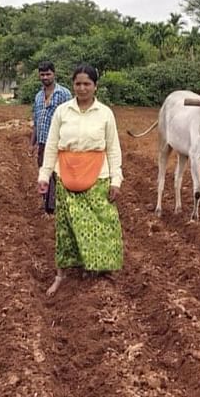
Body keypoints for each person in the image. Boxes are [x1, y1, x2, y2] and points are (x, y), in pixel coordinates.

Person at [37, 64, 123, 295]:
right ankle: (61, 275)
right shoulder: (63, 111)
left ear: (95, 86)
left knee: (102, 226)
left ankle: (98, 271)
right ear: (72, 85)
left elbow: (113, 149)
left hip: (99, 176)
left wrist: (116, 180)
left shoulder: (105, 113)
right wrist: (44, 175)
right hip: (66, 175)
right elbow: (52, 145)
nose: (82, 88)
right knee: (65, 229)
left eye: (87, 84)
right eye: (78, 84)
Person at [30, 61, 72, 214]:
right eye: (42, 74)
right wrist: (32, 143)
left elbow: (71, 119)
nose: (45, 77)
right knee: (44, 173)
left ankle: (56, 206)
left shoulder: (64, 94)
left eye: (48, 74)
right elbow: (36, 121)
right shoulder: (38, 96)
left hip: (59, 143)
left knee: (59, 174)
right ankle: (47, 205)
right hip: (42, 143)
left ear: (54, 74)